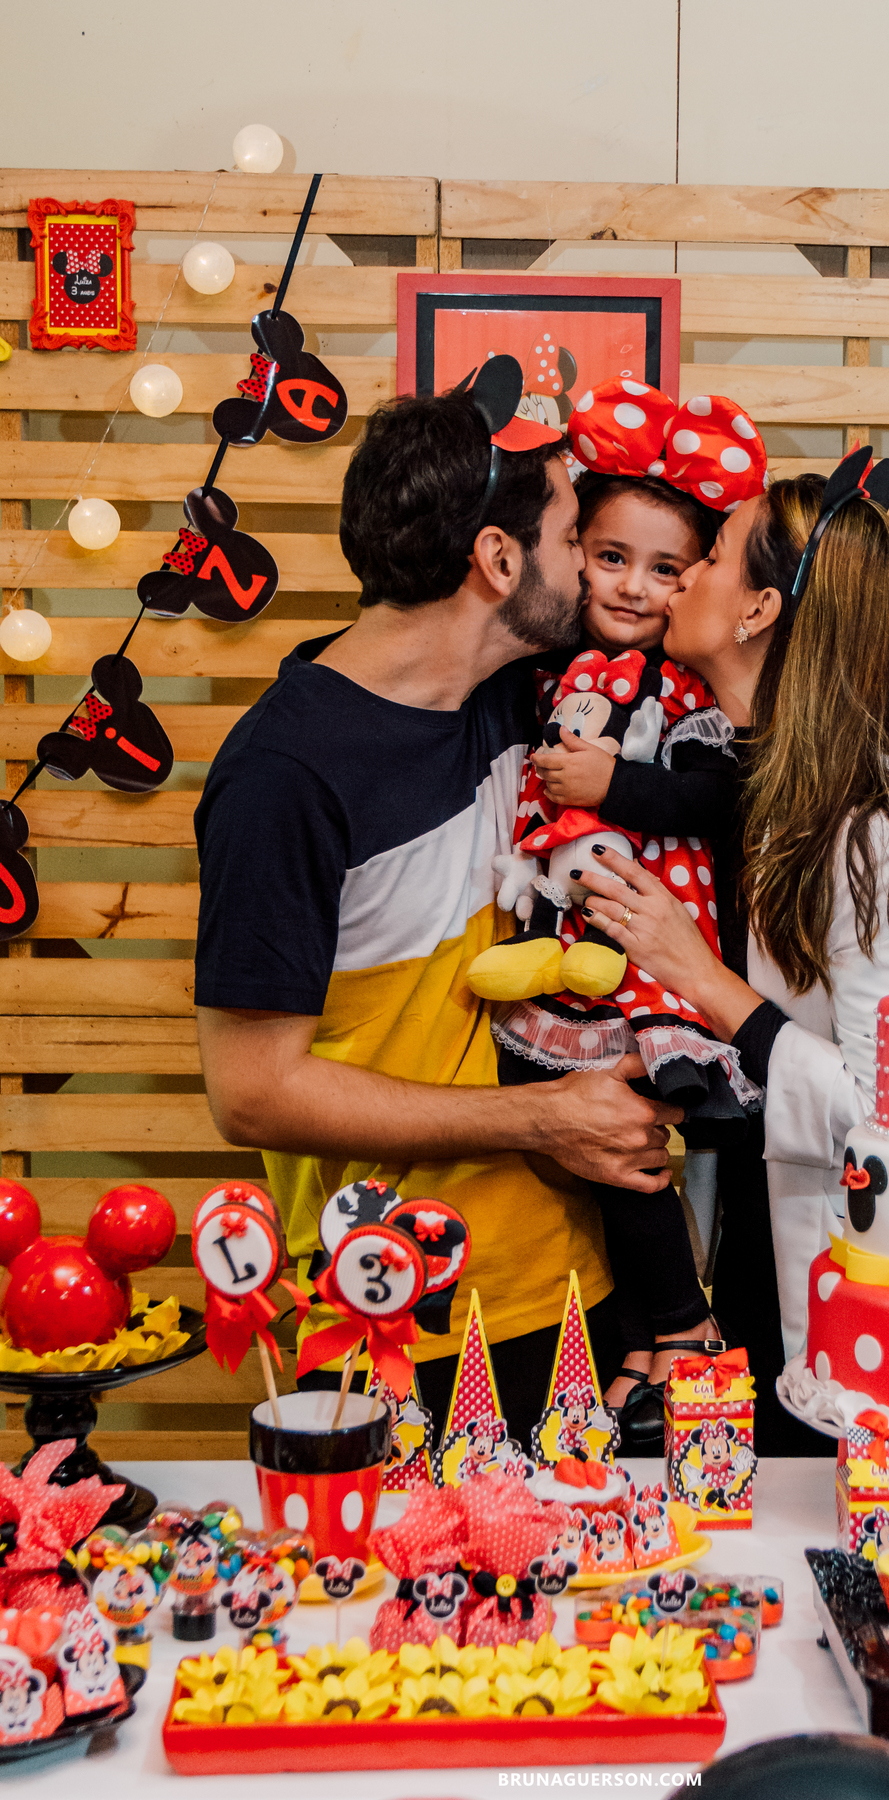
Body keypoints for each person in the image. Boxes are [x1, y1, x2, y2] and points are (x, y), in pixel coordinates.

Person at [193, 365, 683, 1449]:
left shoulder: (519, 693)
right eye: (574, 538)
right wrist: (545, 1120)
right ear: (498, 560)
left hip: (577, 1288)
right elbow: (254, 1094)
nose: (592, 566)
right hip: (390, 1314)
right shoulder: (285, 776)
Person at [576, 450, 889, 1452]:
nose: (680, 579)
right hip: (751, 1240)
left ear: (758, 610)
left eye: (708, 557)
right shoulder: (746, 781)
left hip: (850, 1276)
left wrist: (699, 978)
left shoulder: (875, 828)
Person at [466, 379, 771, 1450]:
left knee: (624, 1136)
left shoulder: (680, 686)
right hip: (567, 940)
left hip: (648, 945)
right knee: (580, 1136)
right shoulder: (540, 668)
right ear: (572, 555)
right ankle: (643, 1340)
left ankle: (685, 1325)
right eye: (609, 556)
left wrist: (616, 788)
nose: (634, 586)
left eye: (666, 569)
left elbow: (722, 800)